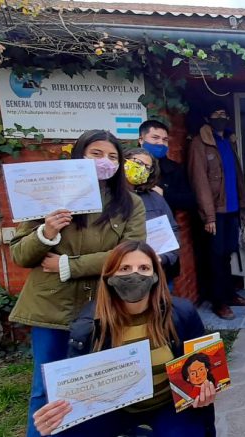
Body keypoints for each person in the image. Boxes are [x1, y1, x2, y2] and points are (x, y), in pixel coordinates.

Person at [9, 130, 147, 437]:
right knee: (47, 388)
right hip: (51, 308)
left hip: (104, 306)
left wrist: (68, 266)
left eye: (112, 156)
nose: (104, 162)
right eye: (96, 154)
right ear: (79, 157)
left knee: (101, 387)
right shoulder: (49, 197)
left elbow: (129, 253)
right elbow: (20, 253)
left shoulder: (130, 204)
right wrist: (46, 233)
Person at [31, 241, 216, 437]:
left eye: (143, 268)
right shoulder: (89, 323)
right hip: (114, 407)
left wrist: (205, 389)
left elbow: (204, 366)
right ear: (110, 276)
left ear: (155, 276)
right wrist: (54, 416)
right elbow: (74, 384)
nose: (134, 275)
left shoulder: (181, 313)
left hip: (168, 404)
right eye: (125, 268)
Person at [187, 104, 245, 320]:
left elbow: (237, 177)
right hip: (214, 212)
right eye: (216, 114)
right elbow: (200, 182)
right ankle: (219, 302)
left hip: (232, 209)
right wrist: (209, 216)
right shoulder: (200, 143)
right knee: (214, 258)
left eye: (224, 115)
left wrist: (242, 206)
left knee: (227, 255)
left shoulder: (227, 141)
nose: (221, 118)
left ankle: (229, 294)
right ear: (207, 117)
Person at [125, 148, 181, 291]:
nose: (141, 168)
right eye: (136, 162)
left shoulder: (155, 198)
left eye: (147, 167)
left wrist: (164, 257)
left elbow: (172, 230)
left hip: (156, 272)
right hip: (122, 275)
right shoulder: (107, 199)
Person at [139, 119, 197, 212]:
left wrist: (164, 194)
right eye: (155, 138)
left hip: (162, 222)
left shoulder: (174, 169)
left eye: (165, 139)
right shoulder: (128, 165)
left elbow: (190, 200)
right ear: (141, 140)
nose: (161, 143)